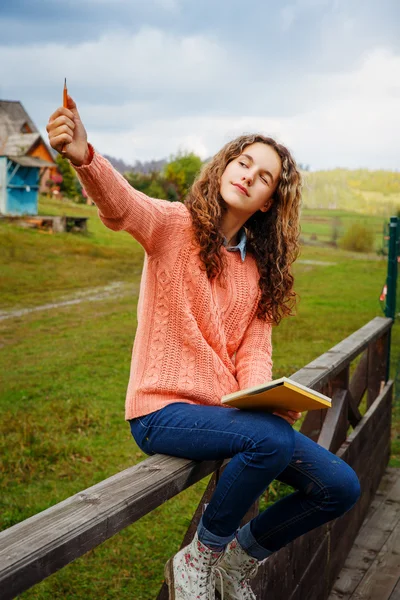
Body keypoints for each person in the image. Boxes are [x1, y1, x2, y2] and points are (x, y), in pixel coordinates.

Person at [46, 97, 361, 600]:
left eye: (264, 178)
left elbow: (253, 354)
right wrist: (85, 156)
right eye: (243, 162)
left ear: (267, 203)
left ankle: (238, 558)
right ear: (223, 166)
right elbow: (123, 204)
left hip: (221, 415)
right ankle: (199, 555)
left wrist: (266, 398)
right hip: (160, 412)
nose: (249, 175)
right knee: (271, 442)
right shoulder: (172, 226)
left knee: (340, 487)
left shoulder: (259, 272)